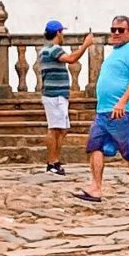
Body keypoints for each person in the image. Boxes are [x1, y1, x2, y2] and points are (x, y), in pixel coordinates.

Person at [80, 14, 129, 205]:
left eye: (120, 30)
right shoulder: (114, 53)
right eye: (113, 30)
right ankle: (95, 188)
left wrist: (122, 102)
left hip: (126, 111)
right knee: (95, 146)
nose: (116, 33)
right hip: (104, 111)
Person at [36, 21, 91, 175]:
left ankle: (55, 160)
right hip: (55, 95)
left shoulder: (46, 50)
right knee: (54, 129)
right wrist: (85, 45)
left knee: (62, 129)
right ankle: (52, 162)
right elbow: (72, 58)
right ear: (58, 33)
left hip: (57, 95)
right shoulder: (53, 50)